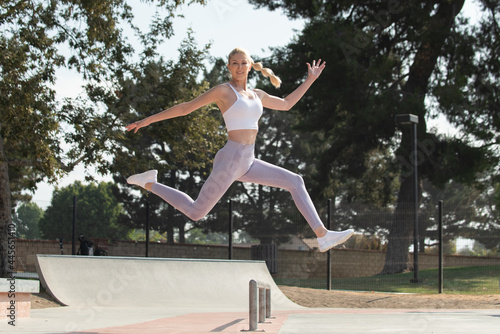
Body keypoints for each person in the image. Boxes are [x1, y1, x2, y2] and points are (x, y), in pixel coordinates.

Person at [126, 47, 353, 252]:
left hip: (248, 161)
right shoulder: (224, 92)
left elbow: (286, 104)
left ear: (250, 65)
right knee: (196, 212)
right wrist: (146, 121)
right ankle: (149, 182)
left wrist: (310, 79)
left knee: (295, 181)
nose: (239, 67)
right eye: (234, 63)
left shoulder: (257, 95)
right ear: (229, 67)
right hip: (231, 160)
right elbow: (186, 108)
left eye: (243, 63)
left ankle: (322, 235)